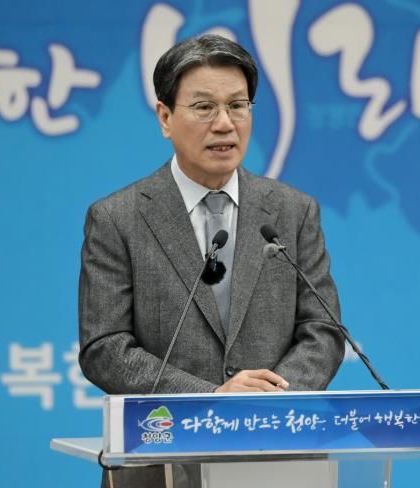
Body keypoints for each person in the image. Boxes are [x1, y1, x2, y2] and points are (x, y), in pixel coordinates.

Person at [78, 34, 345, 487]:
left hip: (276, 459)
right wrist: (212, 398)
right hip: (161, 461)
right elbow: (104, 347)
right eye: (204, 107)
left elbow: (324, 330)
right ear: (165, 117)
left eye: (238, 106)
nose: (224, 124)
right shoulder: (117, 218)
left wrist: (267, 404)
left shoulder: (293, 211)